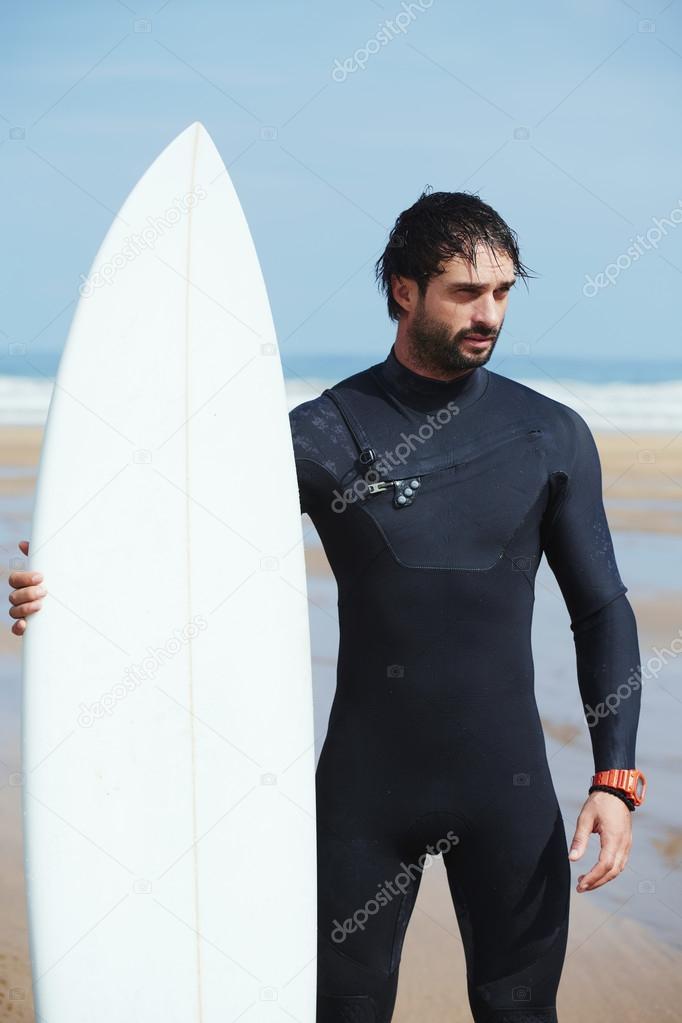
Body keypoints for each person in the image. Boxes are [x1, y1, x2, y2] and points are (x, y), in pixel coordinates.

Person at [9, 190, 645, 1023]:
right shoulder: (323, 433)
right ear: (404, 290)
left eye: (503, 292)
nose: (488, 313)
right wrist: (65, 586)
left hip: (510, 792)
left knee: (521, 1010)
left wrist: (615, 778)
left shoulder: (549, 435)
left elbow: (601, 608)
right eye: (465, 291)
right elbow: (187, 544)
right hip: (363, 799)